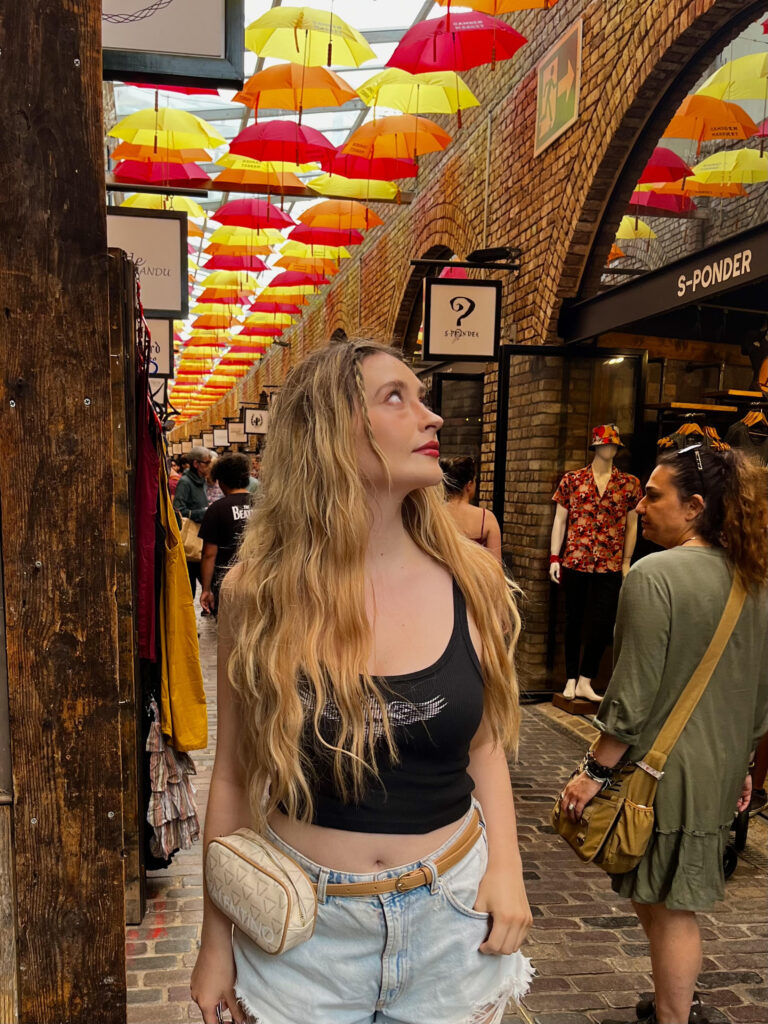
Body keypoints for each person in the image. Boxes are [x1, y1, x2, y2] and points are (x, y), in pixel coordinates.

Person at [192, 340, 533, 1024]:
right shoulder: (257, 595)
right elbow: (230, 777)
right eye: (396, 398)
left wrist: (509, 870)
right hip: (300, 932)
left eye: (423, 397)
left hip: (453, 921)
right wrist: (214, 937)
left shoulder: (474, 578)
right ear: (327, 431)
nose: (431, 418)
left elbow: (487, 744)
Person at [561, 444, 768, 1024]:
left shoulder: (656, 575)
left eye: (653, 495)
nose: (640, 505)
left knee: (666, 903)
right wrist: (746, 769)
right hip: (718, 765)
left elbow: (631, 694)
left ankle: (674, 1016)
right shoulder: (755, 580)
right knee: (661, 894)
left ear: (696, 505)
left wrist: (593, 772)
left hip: (661, 768)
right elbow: (759, 694)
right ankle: (675, 1001)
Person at [550, 425, 640, 703]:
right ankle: (571, 678)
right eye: (604, 444)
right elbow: (560, 520)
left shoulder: (629, 484)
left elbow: (632, 525)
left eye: (614, 445)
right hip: (576, 558)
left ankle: (587, 679)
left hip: (610, 562)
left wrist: (626, 561)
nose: (609, 449)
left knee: (602, 622)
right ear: (595, 447)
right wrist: (554, 557)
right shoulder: (573, 480)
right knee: (574, 620)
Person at [199, 453, 252, 618]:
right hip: (260, 579)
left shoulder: (216, 509)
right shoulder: (263, 503)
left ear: (221, 481)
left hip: (227, 583)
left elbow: (209, 554)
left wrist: (206, 590)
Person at [440, 455, 502, 562]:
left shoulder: (435, 514)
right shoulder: (486, 518)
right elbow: (496, 568)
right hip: (476, 578)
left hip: (440, 578)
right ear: (469, 485)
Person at [173, 446, 212, 598]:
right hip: (191, 540)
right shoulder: (185, 482)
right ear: (196, 464)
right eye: (206, 462)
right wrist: (204, 512)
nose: (209, 466)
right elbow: (178, 510)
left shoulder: (201, 481)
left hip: (202, 537)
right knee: (190, 587)